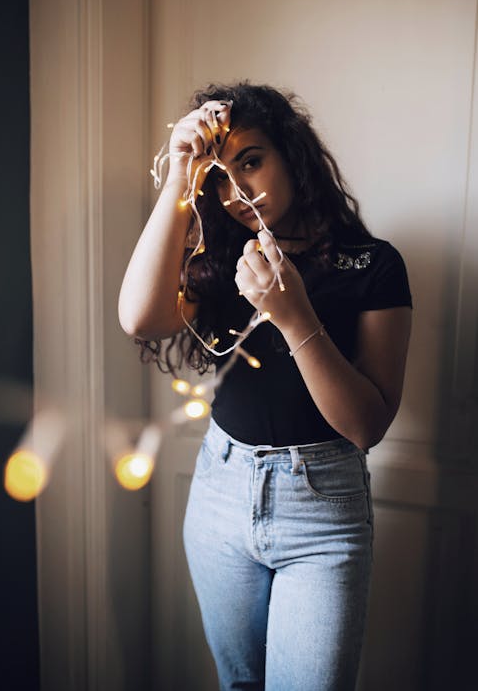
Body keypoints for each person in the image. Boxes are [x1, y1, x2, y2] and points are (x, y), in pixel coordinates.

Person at [118, 82, 412, 691]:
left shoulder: (373, 264)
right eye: (218, 180)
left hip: (323, 508)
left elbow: (366, 426)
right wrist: (179, 173)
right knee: (239, 684)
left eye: (250, 162)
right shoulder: (220, 258)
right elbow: (139, 318)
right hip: (220, 492)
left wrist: (295, 315)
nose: (238, 192)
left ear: (291, 155)